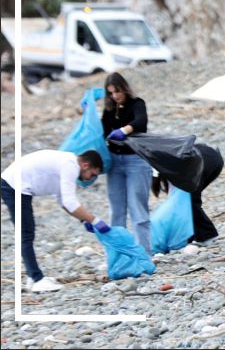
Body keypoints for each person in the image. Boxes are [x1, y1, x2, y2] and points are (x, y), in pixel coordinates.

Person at [1, 149, 105, 292]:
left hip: (16, 185)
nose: (90, 179)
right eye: (92, 174)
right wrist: (95, 220)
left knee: (27, 233)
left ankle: (33, 276)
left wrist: (84, 220)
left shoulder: (68, 163)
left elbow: (62, 200)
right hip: (13, 186)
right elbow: (70, 202)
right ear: (86, 165)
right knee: (26, 234)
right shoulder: (71, 165)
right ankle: (37, 280)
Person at [100, 72, 153, 254]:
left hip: (136, 160)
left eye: (118, 92)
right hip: (115, 162)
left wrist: (124, 130)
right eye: (111, 93)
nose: (115, 96)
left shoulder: (137, 104)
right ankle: (119, 254)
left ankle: (145, 252)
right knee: (117, 210)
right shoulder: (109, 110)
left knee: (138, 208)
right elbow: (101, 130)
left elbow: (141, 121)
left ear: (125, 89)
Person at [152, 143, 224, 246]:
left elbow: (175, 199)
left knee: (190, 201)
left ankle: (208, 235)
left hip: (204, 161)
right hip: (213, 159)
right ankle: (196, 236)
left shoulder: (165, 168)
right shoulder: (163, 165)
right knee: (188, 201)